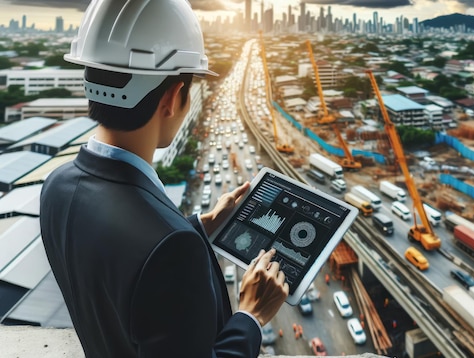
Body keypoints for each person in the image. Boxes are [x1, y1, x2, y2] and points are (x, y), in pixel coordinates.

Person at [39, 0, 288, 357]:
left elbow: (127, 258)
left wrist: (199, 227)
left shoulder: (56, 187)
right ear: (173, 98)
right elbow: (152, 254)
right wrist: (251, 314)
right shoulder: (172, 249)